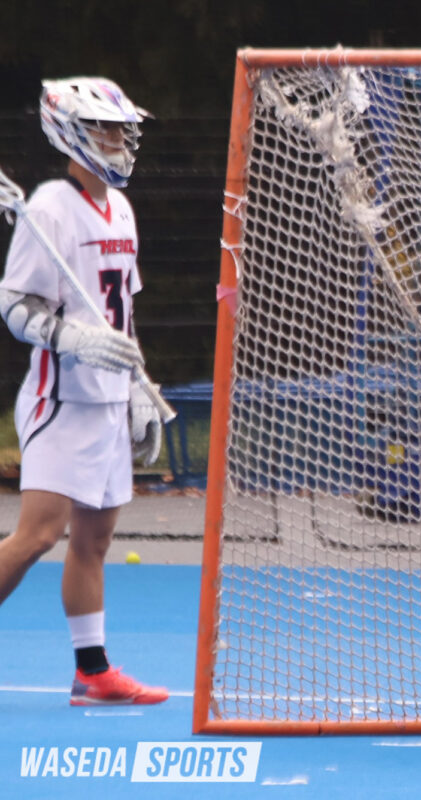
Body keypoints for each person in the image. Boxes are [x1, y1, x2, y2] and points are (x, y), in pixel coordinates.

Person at [0, 76, 167, 705]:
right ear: (71, 131)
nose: (118, 140)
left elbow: (123, 313)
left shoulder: (121, 208)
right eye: (105, 128)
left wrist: (137, 386)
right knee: (37, 536)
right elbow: (14, 305)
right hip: (61, 400)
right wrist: (71, 339)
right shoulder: (49, 207)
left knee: (93, 541)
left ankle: (92, 672)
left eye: (122, 129)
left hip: (108, 403)